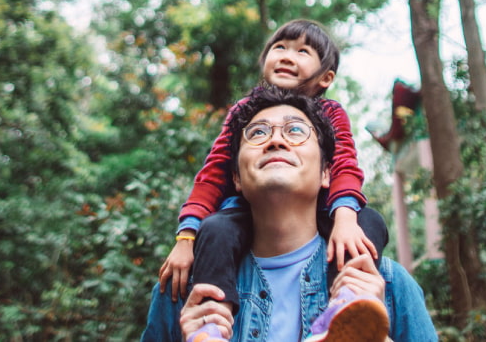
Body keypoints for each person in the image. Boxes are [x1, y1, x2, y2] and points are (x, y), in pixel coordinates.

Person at [141, 87, 437, 341]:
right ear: (237, 180)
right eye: (257, 133)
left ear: (326, 173)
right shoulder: (183, 293)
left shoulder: (389, 285)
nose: (275, 141)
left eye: (295, 130)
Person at [158, 20, 390, 320]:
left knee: (367, 221)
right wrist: (186, 236)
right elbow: (213, 173)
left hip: (320, 208)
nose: (286, 56)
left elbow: (344, 163)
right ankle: (210, 321)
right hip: (247, 211)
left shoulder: (330, 113)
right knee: (214, 230)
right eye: (279, 47)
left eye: (303, 51)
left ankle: (346, 303)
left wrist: (345, 216)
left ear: (326, 77)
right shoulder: (244, 112)